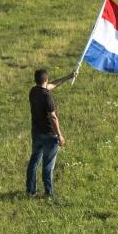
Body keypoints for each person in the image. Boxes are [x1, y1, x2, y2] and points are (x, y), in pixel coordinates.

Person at [26, 68, 74, 197]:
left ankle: (31, 191)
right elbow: (53, 117)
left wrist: (68, 77)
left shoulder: (33, 91)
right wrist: (59, 135)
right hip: (49, 135)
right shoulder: (47, 97)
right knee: (48, 165)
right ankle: (49, 192)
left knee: (34, 162)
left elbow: (53, 85)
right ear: (46, 80)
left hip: (36, 134)